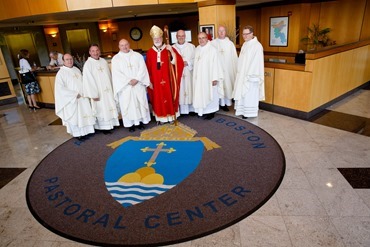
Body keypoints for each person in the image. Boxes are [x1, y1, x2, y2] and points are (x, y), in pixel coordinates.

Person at [146, 25, 184, 124]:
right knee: (158, 98)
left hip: (168, 80)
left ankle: (171, 117)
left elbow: (178, 62)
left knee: (169, 97)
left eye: (159, 38)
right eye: (155, 38)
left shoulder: (168, 49)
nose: (157, 40)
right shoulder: (150, 52)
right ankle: (161, 118)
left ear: (162, 38)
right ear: (152, 39)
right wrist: (149, 81)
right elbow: (147, 69)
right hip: (156, 81)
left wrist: (171, 51)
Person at [111, 39, 151, 132]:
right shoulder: (116, 59)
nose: (124, 47)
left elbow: (142, 69)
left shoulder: (137, 56)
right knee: (128, 105)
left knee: (139, 103)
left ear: (129, 44)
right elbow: (117, 74)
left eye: (126, 45)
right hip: (125, 87)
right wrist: (128, 81)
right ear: (119, 46)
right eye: (122, 45)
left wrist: (137, 79)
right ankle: (130, 124)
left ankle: (140, 122)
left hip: (138, 84)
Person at [54, 53, 96, 140]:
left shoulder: (76, 69)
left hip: (82, 98)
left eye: (71, 59)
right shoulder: (61, 73)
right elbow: (60, 89)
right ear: (63, 61)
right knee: (76, 117)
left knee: (84, 115)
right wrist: (74, 95)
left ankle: (86, 132)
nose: (69, 61)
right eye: (67, 59)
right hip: (72, 100)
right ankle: (78, 134)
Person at [83, 44, 119, 134]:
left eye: (97, 50)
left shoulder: (103, 61)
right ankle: (104, 127)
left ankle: (112, 124)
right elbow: (88, 81)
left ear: (99, 51)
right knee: (101, 109)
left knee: (109, 105)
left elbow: (109, 75)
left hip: (108, 90)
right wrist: (93, 94)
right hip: (98, 93)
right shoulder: (88, 64)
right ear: (90, 52)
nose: (95, 53)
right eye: (93, 51)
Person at [232, 25, 265, 119]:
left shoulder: (257, 46)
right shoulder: (245, 44)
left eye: (247, 34)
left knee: (249, 95)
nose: (245, 36)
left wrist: (248, 75)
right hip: (242, 74)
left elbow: (256, 62)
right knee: (243, 95)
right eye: (243, 34)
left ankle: (249, 113)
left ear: (252, 34)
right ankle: (243, 111)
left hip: (251, 76)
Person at [192, 32, 224, 120]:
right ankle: (202, 110)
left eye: (203, 38)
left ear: (207, 38)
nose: (201, 40)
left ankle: (211, 112)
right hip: (199, 78)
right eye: (199, 38)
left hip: (209, 77)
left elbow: (216, 64)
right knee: (201, 94)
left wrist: (215, 78)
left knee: (211, 93)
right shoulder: (197, 49)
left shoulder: (212, 50)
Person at [211, 25, 238, 112]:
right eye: (219, 31)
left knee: (227, 85)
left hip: (227, 69)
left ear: (225, 32)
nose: (221, 33)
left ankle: (225, 103)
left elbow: (234, 57)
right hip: (217, 70)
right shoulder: (213, 43)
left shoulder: (230, 44)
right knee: (218, 86)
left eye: (223, 31)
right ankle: (218, 104)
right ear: (217, 32)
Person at [172, 29, 196, 115]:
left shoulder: (191, 46)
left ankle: (191, 109)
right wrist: (178, 64)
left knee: (190, 89)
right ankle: (182, 110)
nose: (181, 38)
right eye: (179, 36)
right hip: (178, 73)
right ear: (176, 37)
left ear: (185, 36)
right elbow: (170, 61)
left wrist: (188, 63)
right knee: (180, 90)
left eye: (183, 36)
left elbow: (195, 59)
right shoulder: (173, 48)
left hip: (189, 72)